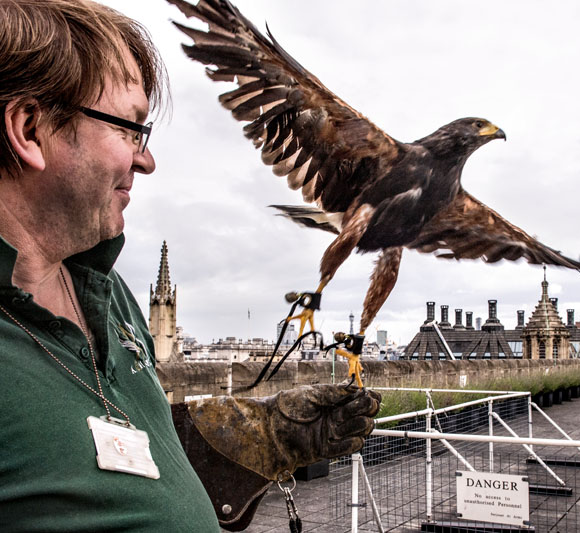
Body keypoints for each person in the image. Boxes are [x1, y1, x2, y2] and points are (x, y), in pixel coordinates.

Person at [0, 1, 380, 531]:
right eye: (129, 129)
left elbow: (126, 447)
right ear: (29, 127)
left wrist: (261, 434)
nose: (146, 159)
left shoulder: (109, 297)